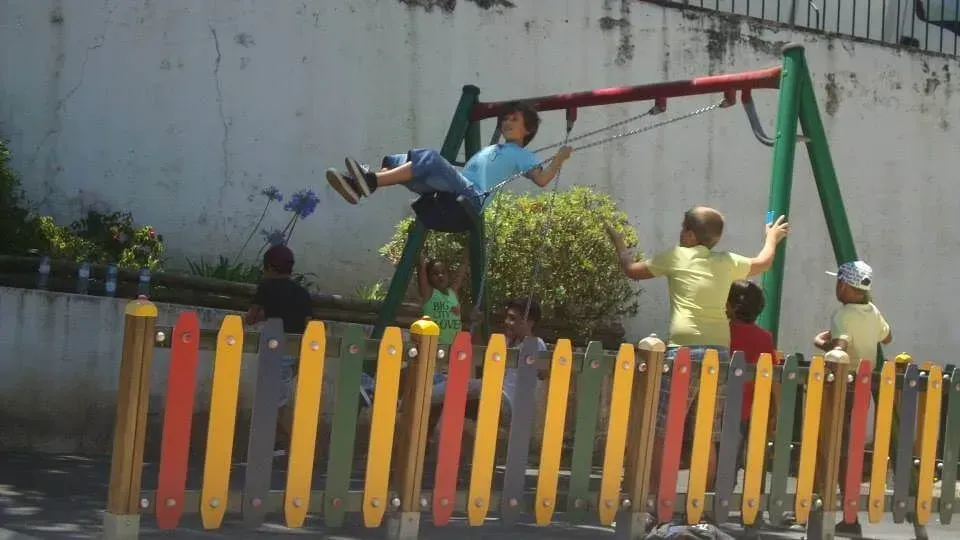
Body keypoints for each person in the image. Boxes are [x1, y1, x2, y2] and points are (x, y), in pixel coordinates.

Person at [604, 206, 789, 519]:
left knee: (663, 429)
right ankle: (699, 504)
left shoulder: (676, 256)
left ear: (689, 235)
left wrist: (621, 245)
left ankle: (654, 500)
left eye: (682, 227)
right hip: (719, 354)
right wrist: (771, 237)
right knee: (708, 431)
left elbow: (631, 271)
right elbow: (764, 261)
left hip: (684, 352)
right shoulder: (726, 261)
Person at [324, 101, 572, 209]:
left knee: (429, 158)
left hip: (472, 195)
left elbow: (542, 180)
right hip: (454, 186)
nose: (507, 122)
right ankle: (359, 184)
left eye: (514, 119)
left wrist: (559, 159)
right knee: (399, 161)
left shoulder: (524, 155)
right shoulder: (496, 147)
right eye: (505, 118)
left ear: (527, 129)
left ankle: (368, 181)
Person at [812, 260, 891, 536]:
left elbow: (840, 348)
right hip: (864, 386)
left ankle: (828, 507)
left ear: (844, 285)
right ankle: (848, 513)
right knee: (852, 445)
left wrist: (822, 343)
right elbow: (887, 336)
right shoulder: (873, 311)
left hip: (844, 384)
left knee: (834, 444)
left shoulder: (843, 315)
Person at [244, 244, 314, 455]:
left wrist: (262, 315)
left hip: (275, 349)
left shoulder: (266, 288)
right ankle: (277, 442)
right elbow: (308, 324)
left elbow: (251, 318)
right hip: (295, 351)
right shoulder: (302, 293)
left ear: (270, 268)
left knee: (275, 400)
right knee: (277, 396)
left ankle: (293, 443)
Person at [726, 279, 779, 470]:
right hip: (747, 410)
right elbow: (774, 376)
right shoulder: (764, 338)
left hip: (719, 405)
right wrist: (777, 411)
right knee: (734, 459)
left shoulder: (722, 333)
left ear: (729, 306)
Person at [418, 248, 470, 347]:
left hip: (454, 347)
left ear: (448, 275)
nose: (440, 276)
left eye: (443, 272)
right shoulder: (429, 293)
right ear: (428, 277)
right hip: (434, 347)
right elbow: (421, 267)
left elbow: (462, 269)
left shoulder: (453, 292)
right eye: (435, 274)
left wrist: (468, 251)